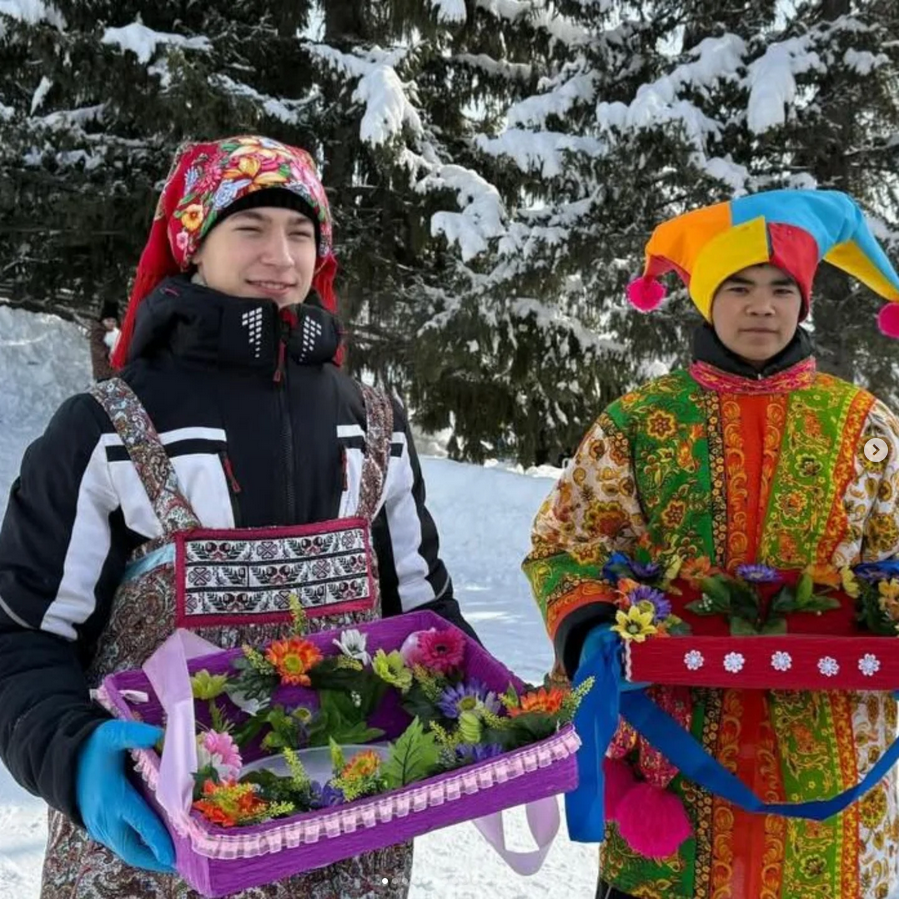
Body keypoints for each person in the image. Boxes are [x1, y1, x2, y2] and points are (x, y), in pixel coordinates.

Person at [0, 134, 475, 899]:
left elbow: (426, 617)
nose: (281, 256)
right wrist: (74, 754)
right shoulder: (107, 429)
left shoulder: (374, 424)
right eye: (249, 227)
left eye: (301, 232)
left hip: (344, 839)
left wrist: (499, 712)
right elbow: (24, 637)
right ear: (192, 243)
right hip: (155, 843)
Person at [524, 189, 899, 899]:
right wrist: (596, 627)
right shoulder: (640, 420)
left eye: (780, 288)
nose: (761, 305)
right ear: (703, 298)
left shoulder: (864, 422)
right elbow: (566, 544)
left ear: (802, 301)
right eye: (738, 286)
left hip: (837, 747)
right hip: (674, 736)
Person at [88, 300, 120, 381]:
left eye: (114, 321)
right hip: (102, 372)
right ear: (102, 320)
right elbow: (96, 348)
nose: (111, 323)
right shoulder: (98, 332)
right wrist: (108, 353)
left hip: (111, 371)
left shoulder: (113, 332)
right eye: (108, 320)